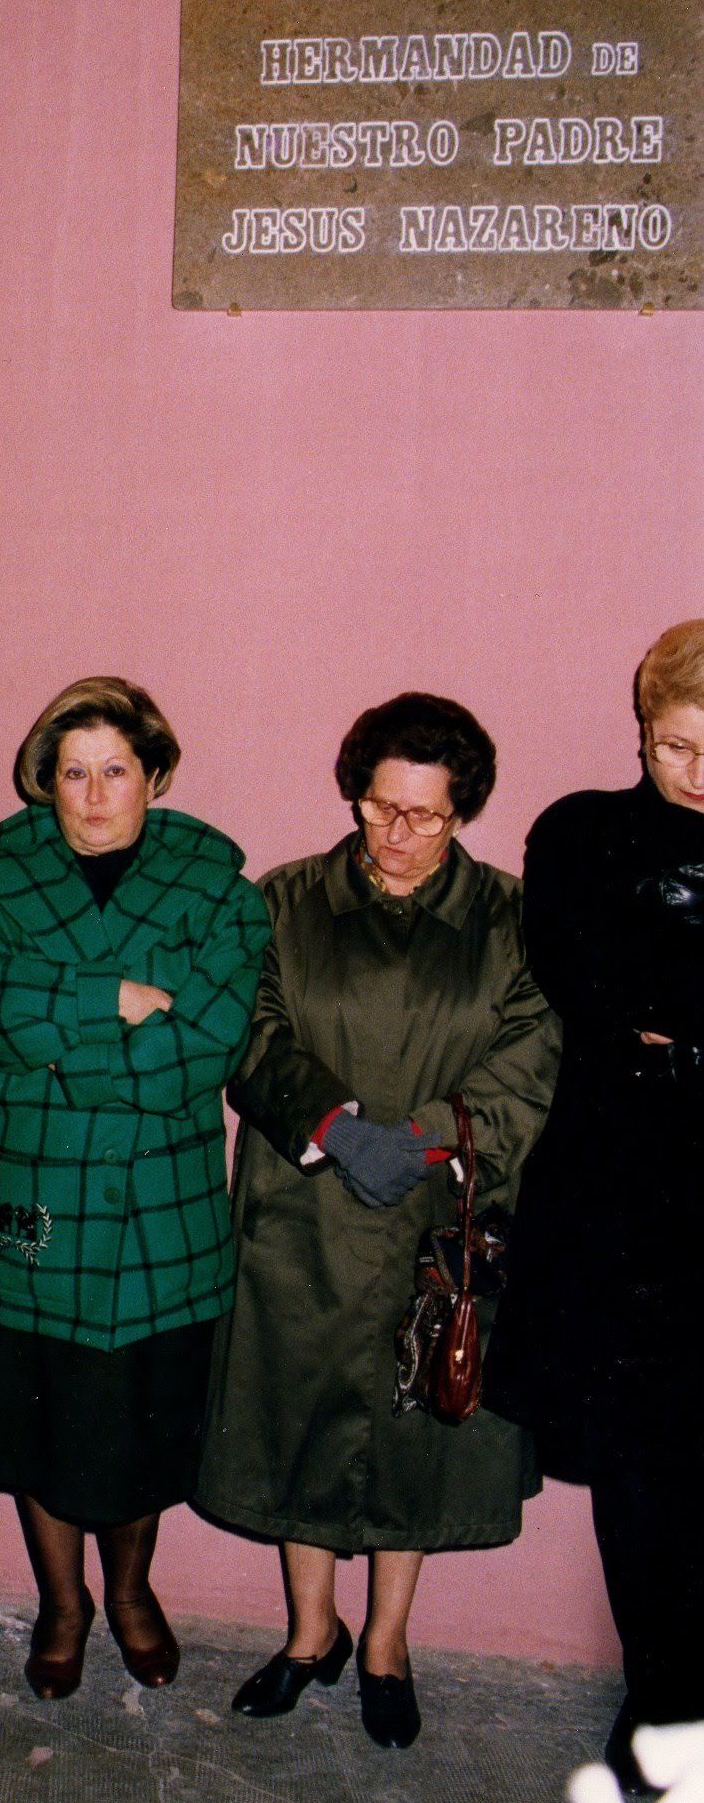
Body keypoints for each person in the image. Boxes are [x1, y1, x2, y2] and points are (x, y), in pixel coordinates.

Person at [197, 693, 559, 1750]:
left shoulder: (511, 921)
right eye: (379, 807)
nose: (396, 836)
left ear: (463, 813)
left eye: (425, 816)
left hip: (438, 1217)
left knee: (418, 1432)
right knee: (297, 1417)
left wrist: (434, 1137)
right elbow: (251, 1029)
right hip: (305, 1207)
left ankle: (389, 1645)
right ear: (355, 793)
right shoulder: (284, 901)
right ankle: (312, 1634)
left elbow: (532, 1056)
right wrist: (334, 1126)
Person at [0, 677, 269, 1701]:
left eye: (115, 771)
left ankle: (129, 1593)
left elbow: (208, 1047)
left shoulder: (218, 885)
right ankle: (62, 1604)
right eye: (72, 773)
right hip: (28, 1197)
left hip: (156, 1209)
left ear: (155, 776)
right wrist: (116, 998)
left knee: (140, 1426)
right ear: (47, 781)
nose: (92, 796)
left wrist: (56, 1042)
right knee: (38, 1424)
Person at [486, 622, 704, 1798]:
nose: (699, 774)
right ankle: (661, 1693)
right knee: (640, 1457)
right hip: (620, 1186)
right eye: (678, 747)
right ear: (642, 729)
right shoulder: (580, 832)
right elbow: (592, 981)